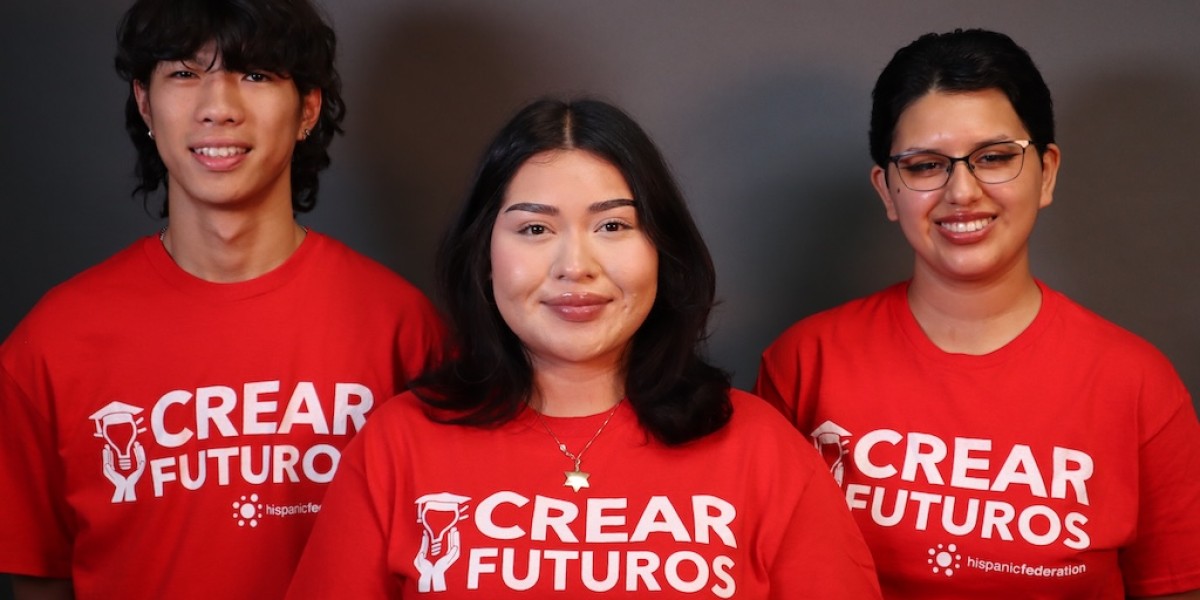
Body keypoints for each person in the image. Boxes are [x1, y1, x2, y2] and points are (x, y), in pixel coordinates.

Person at [284, 97, 882, 599]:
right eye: (535, 229)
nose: (576, 266)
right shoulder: (398, 444)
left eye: (613, 226)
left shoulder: (758, 447)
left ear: (662, 250)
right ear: (484, 256)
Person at [0, 0, 443, 598]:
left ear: (307, 108)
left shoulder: (402, 327)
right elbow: (35, 579)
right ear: (144, 102)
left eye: (255, 74)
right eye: (184, 73)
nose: (218, 108)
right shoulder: (51, 343)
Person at [755, 28, 1200, 599]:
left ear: (1048, 172)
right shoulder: (804, 363)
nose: (962, 191)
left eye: (993, 158)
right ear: (888, 191)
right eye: (924, 166)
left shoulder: (1137, 384)